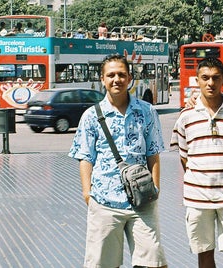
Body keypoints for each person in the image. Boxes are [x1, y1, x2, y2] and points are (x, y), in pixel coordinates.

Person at [68, 54, 168, 268]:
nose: (117, 79)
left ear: (130, 78)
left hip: (142, 201)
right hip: (105, 201)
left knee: (152, 261)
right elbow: (85, 157)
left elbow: (154, 153)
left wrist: (156, 189)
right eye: (111, 75)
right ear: (102, 79)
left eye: (121, 74)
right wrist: (88, 194)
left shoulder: (146, 111)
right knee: (102, 264)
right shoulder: (91, 116)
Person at [170, 57, 223, 268]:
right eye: (205, 78)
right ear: (197, 80)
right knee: (205, 254)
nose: (210, 83)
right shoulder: (186, 116)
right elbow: (184, 156)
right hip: (197, 198)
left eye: (216, 78)